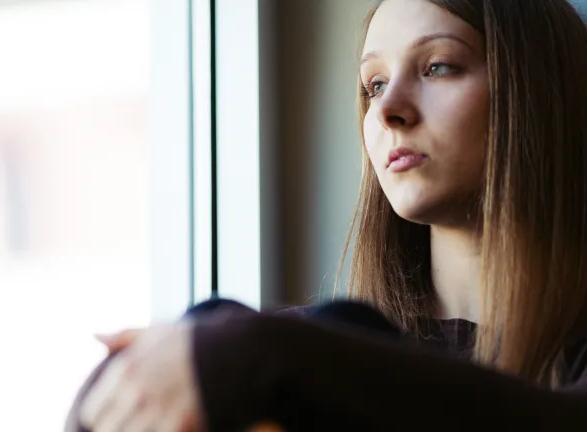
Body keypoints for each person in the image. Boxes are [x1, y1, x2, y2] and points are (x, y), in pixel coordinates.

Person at [73, 0, 587, 430]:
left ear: (539, 93)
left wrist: (257, 353)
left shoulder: (289, 358)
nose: (387, 111)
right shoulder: (302, 356)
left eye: (438, 67)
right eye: (375, 84)